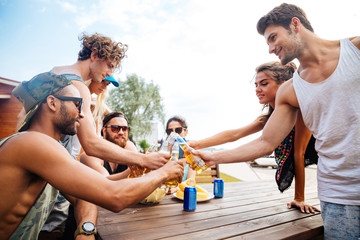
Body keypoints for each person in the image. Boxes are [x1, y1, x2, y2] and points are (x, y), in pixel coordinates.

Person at [194, 3, 360, 239]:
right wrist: (213, 156)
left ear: (295, 24)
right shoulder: (290, 91)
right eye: (267, 43)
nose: (271, 48)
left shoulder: (355, 50)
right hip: (339, 197)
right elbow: (264, 142)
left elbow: (299, 153)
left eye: (273, 38)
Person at [0, 72, 184, 239]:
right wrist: (163, 173)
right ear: (52, 103)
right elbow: (115, 197)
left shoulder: (46, 149)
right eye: (77, 105)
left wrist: (85, 229)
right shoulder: (33, 143)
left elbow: (83, 195)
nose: (82, 115)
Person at [190, 61, 318, 213]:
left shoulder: (300, 112)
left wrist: (299, 198)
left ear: (284, 85)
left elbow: (299, 154)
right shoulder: (268, 118)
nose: (258, 89)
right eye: (256, 85)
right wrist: (197, 143)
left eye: (264, 84)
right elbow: (235, 134)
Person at [165, 116, 196, 193]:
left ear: (185, 132)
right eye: (170, 131)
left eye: (178, 130)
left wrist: (177, 188)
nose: (174, 134)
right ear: (167, 134)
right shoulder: (163, 154)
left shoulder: (190, 154)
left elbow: (191, 181)